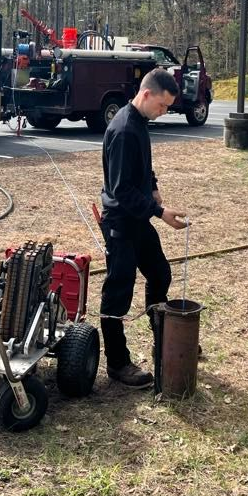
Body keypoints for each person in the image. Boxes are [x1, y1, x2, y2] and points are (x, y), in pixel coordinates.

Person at [99, 68, 188, 388]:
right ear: (146, 94)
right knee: (118, 292)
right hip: (121, 222)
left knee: (160, 273)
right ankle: (117, 364)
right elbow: (122, 190)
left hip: (138, 218)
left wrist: (153, 188)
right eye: (163, 106)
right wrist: (159, 211)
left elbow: (142, 168)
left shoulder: (140, 122)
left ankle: (163, 337)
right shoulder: (123, 129)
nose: (164, 112)